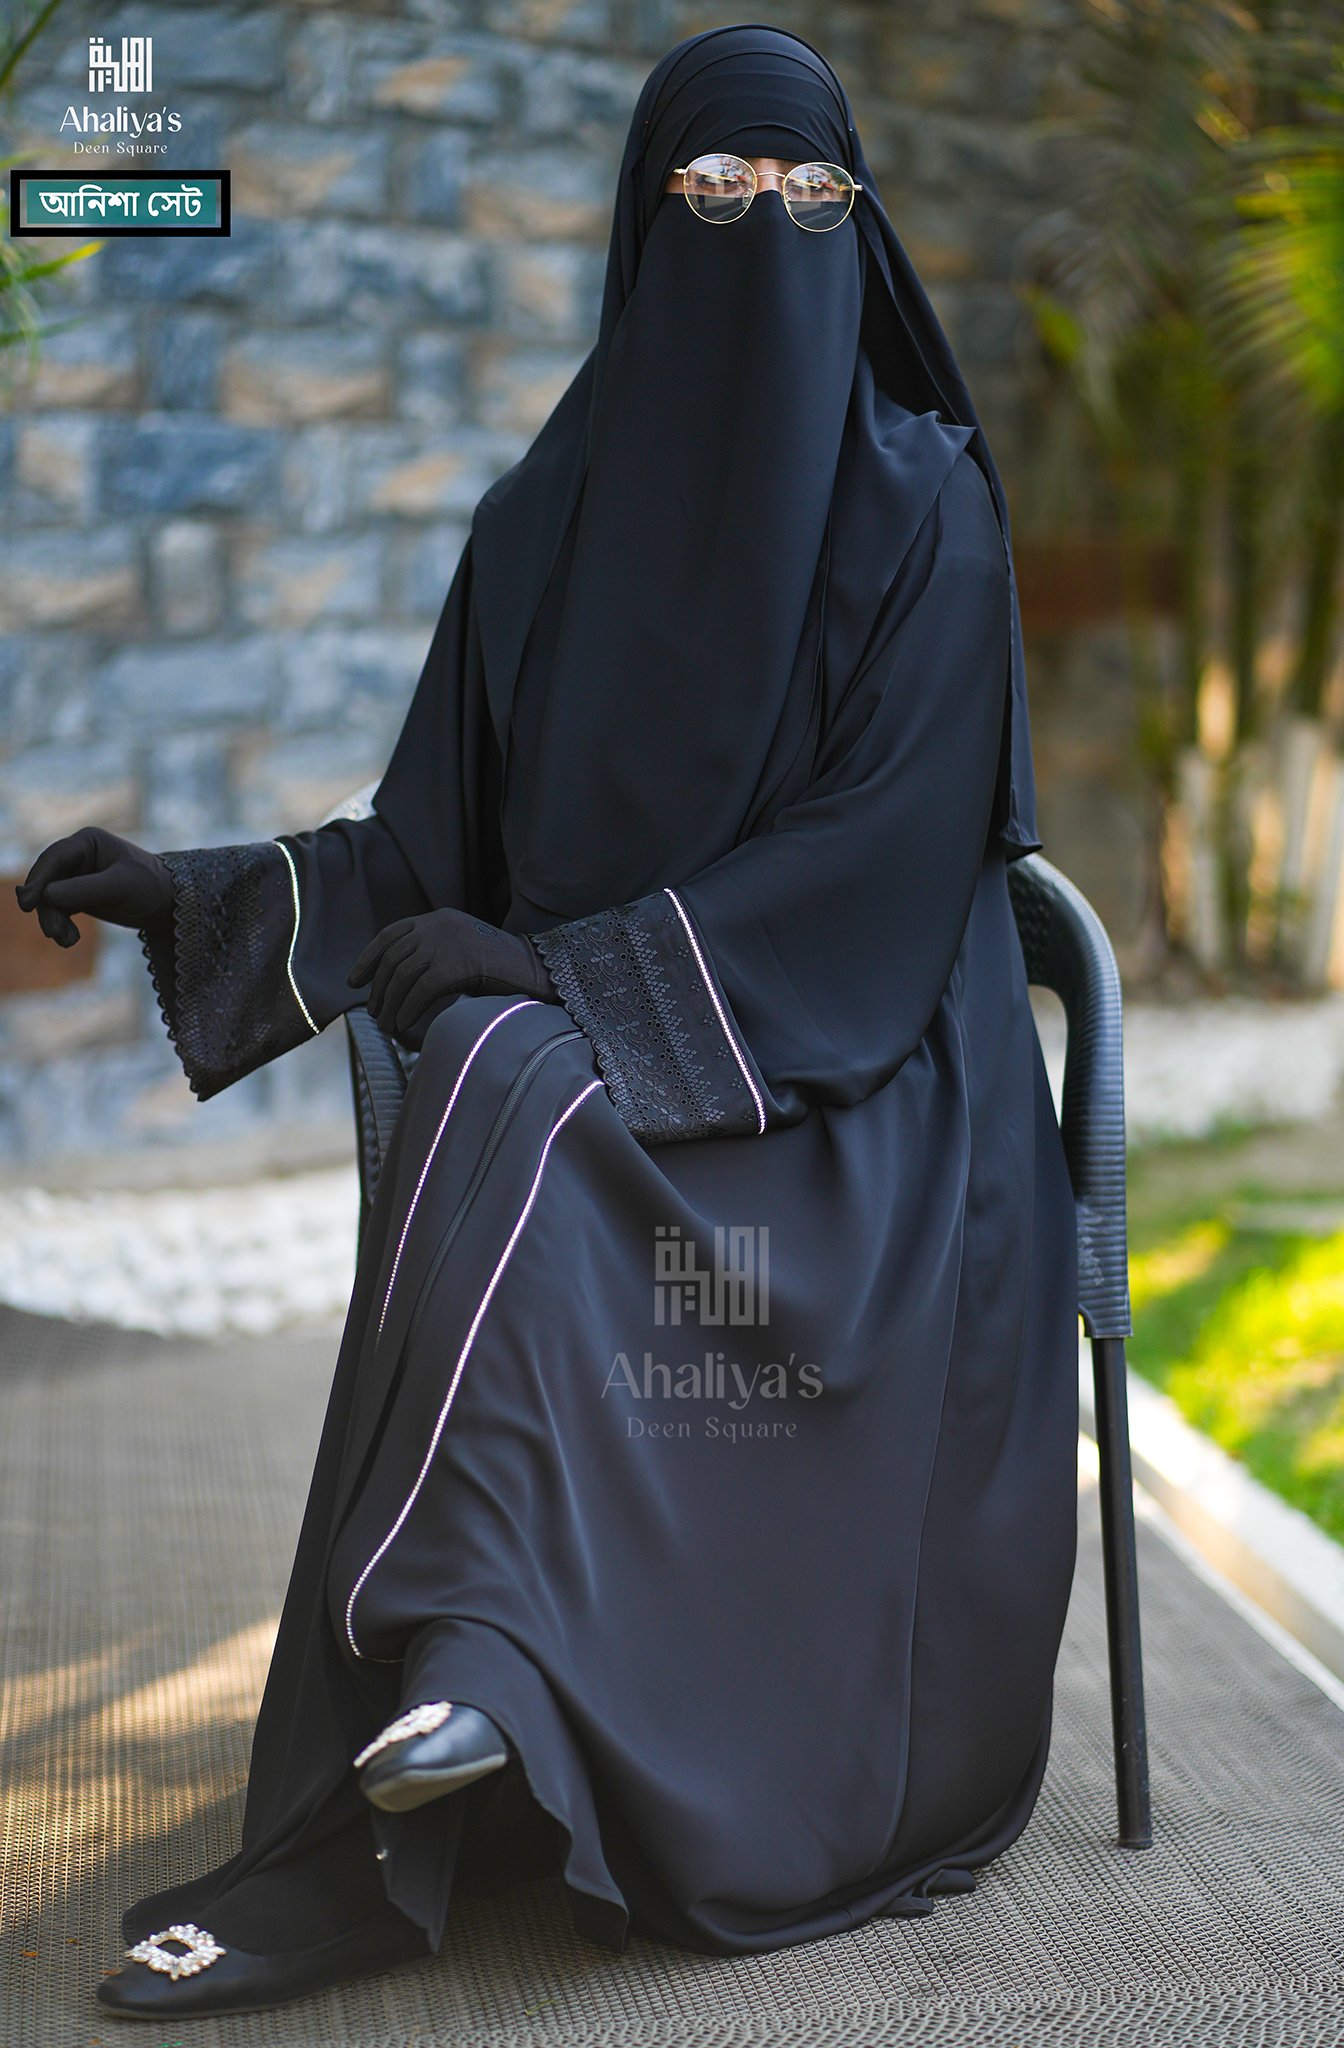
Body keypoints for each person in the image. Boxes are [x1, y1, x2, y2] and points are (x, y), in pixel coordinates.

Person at [15, 25, 1080, 2023]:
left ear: (861, 228)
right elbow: (434, 845)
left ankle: (455, 1709)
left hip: (871, 1116)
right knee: (512, 1078)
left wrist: (570, 979)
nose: (766, 229)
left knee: (510, 1073)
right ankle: (473, 1685)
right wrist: (204, 893)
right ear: (643, 229)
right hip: (605, 1072)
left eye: (811, 197)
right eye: (716, 193)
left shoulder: (927, 507)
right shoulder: (538, 530)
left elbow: (878, 866)